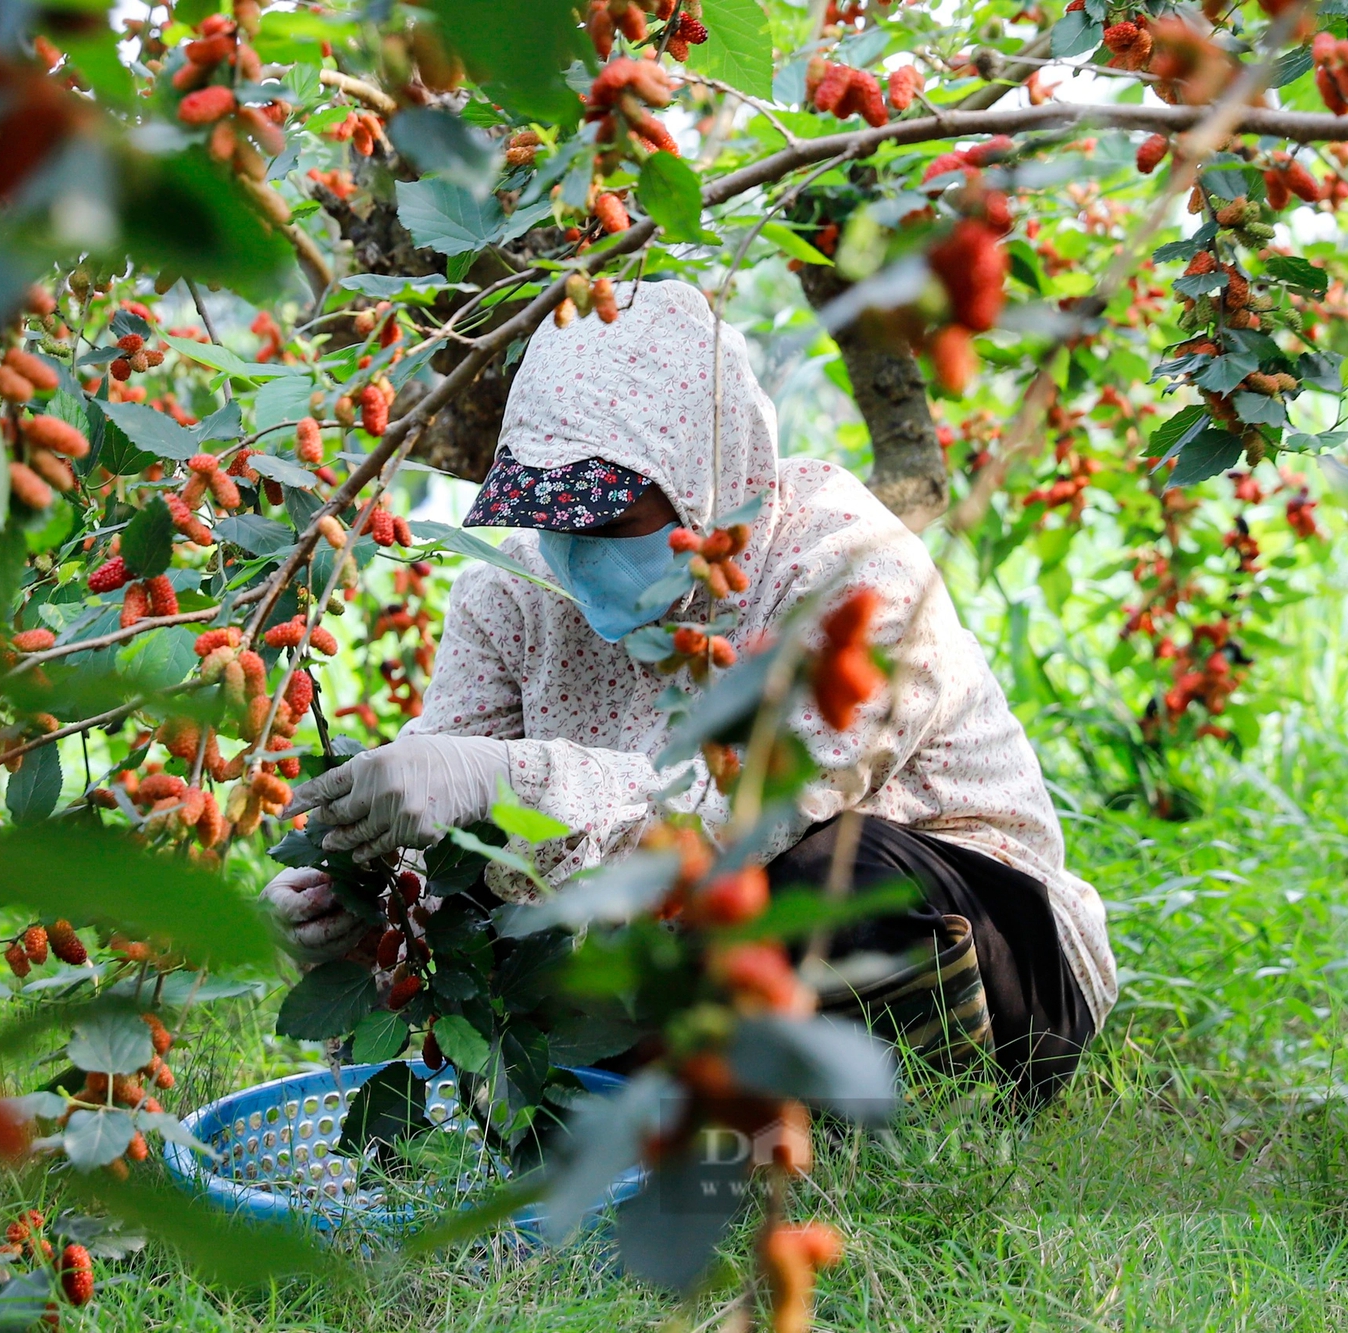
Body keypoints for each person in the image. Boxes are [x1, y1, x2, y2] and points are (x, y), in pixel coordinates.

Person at [263, 278, 1115, 1099]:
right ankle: (661, 1093)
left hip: (983, 946)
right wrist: (365, 907)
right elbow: (462, 857)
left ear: (702, 481)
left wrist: (503, 779)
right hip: (679, 951)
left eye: (609, 520)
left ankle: (920, 1093)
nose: (575, 548)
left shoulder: (850, 571)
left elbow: (736, 812)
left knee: (818, 879)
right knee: (515, 918)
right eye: (552, 520)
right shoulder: (512, 591)